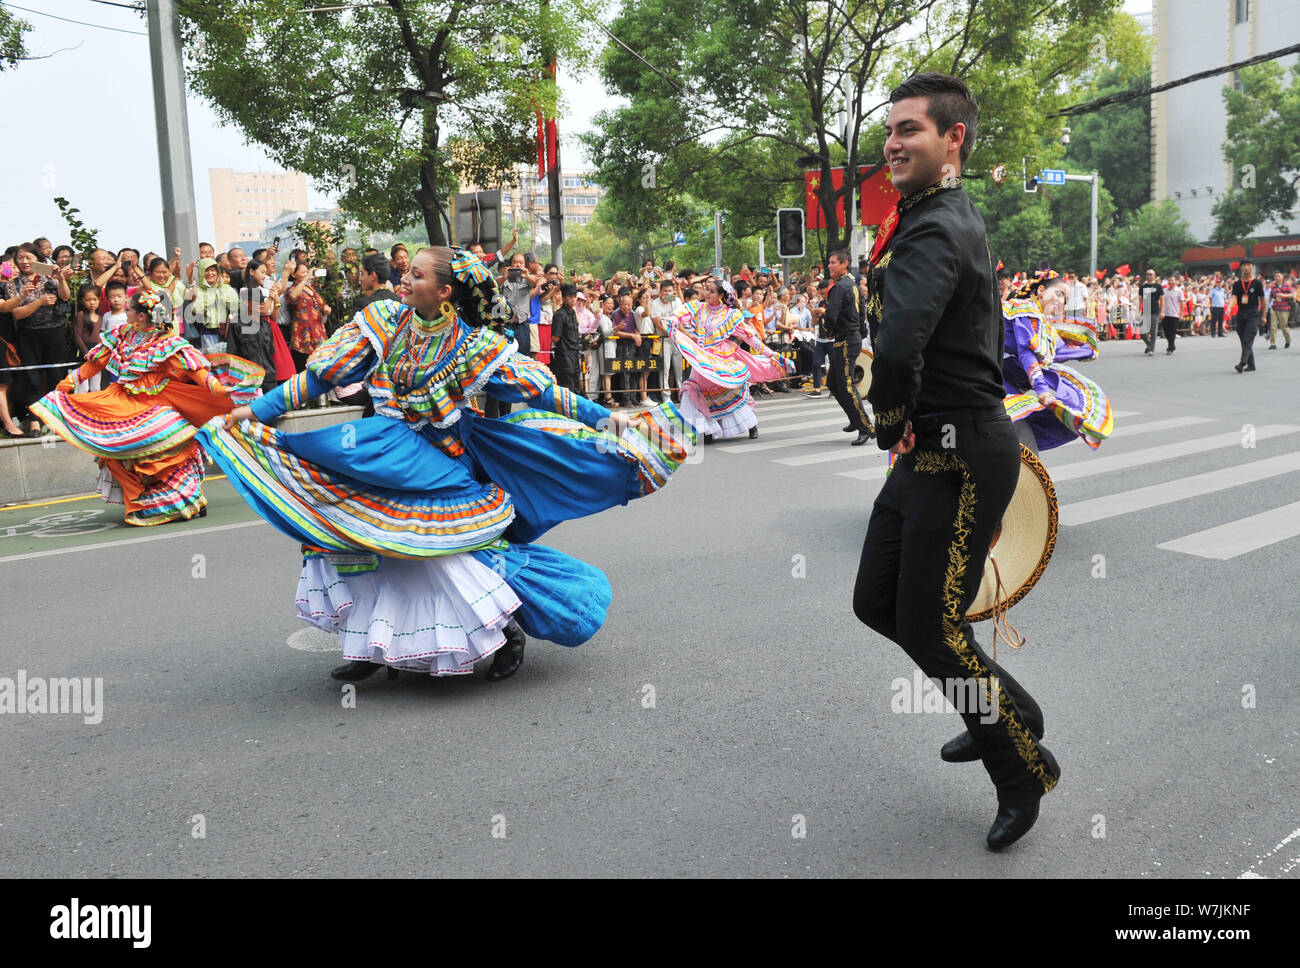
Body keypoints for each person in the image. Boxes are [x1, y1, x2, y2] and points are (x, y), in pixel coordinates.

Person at [203, 246, 693, 682]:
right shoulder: (382, 325)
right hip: (383, 455)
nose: (404, 280)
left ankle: (505, 630)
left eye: (416, 275)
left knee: (448, 555)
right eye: (406, 272)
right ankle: (369, 647)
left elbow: (545, 393)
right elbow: (313, 381)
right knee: (354, 539)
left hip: (444, 465)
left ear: (444, 292)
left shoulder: (474, 347)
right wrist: (251, 411)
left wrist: (608, 419)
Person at [855, 73, 1060, 851]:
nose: (894, 143)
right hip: (927, 452)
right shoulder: (923, 217)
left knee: (933, 629)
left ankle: (1022, 770)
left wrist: (891, 422)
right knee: (878, 604)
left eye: (910, 129)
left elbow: (899, 344)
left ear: (953, 140)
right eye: (890, 132)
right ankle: (1011, 713)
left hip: (963, 455)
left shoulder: (937, 225)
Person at [30, 289, 260, 525]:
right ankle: (141, 501)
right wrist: (65, 385)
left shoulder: (166, 342)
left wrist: (221, 390)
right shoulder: (121, 334)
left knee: (167, 450)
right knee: (114, 453)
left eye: (129, 308)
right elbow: (95, 363)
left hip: (157, 403)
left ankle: (183, 500)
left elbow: (197, 372)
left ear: (141, 316)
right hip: (121, 401)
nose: (124, 311)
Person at [1001, 271, 1112, 454]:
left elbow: (1055, 352)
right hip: (993, 384)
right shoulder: (1024, 309)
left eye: (1065, 299)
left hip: (1007, 386)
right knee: (1024, 442)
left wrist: (1086, 351)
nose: (1061, 302)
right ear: (1041, 290)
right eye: (1059, 294)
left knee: (1031, 441)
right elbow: (1026, 352)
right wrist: (1042, 389)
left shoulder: (1042, 323)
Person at [669, 278, 780, 442]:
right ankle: (707, 430)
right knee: (693, 390)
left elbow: (749, 338)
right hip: (702, 359)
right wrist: (671, 321)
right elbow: (678, 314)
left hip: (723, 359)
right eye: (706, 290)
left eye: (711, 291)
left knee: (731, 392)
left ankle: (750, 424)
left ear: (721, 295)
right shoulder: (698, 307)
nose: (707, 293)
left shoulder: (731, 314)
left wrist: (771, 355)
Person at [816, 249, 874, 445]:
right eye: (830, 262)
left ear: (845, 264)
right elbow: (861, 312)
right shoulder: (853, 284)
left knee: (847, 385)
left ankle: (865, 426)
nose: (830, 265)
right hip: (852, 337)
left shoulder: (839, 287)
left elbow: (831, 316)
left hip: (845, 340)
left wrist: (826, 326)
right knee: (833, 383)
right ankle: (855, 418)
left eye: (833, 262)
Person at [1232, 260, 1266, 373]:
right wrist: (1228, 308)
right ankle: (1251, 365)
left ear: (1252, 267)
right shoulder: (1237, 284)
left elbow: (1263, 300)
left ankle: (1242, 363)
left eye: (1248, 265)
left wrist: (1264, 315)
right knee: (1243, 339)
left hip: (1253, 313)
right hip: (1241, 314)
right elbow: (1233, 297)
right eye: (1244, 265)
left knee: (1248, 338)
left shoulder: (1257, 283)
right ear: (1241, 268)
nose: (1246, 267)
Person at [549, 283, 583, 394]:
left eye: (574, 296)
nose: (573, 299)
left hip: (574, 353)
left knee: (576, 385)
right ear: (563, 298)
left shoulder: (573, 313)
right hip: (564, 355)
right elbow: (555, 338)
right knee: (567, 386)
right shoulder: (560, 314)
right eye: (570, 296)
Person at [1139, 269, 1163, 355]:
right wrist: (1138, 310)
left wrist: (1162, 311)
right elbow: (1140, 300)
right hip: (1145, 311)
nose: (1148, 276)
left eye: (1150, 274)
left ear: (1154, 276)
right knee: (1142, 333)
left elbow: (1162, 299)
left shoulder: (1158, 286)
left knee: (1153, 331)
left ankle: (1151, 349)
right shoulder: (1143, 286)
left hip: (1154, 311)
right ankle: (1149, 344)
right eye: (1147, 274)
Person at [1267, 270, 1293, 349]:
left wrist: (1283, 295)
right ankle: (1273, 344)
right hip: (1274, 307)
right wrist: (1269, 303)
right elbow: (1271, 296)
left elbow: (1292, 294)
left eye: (1279, 276)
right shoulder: (1273, 286)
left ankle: (1288, 340)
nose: (1277, 278)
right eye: (1275, 276)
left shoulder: (1287, 285)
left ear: (1282, 277)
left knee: (1283, 326)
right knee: (1273, 326)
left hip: (1284, 308)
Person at [1159, 273, 1182, 354]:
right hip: (1165, 313)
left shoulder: (1178, 290)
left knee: (1172, 331)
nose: (1171, 282)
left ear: (1175, 281)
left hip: (1174, 314)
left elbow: (1182, 302)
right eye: (1169, 280)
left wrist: (1181, 313)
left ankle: (1170, 347)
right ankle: (1171, 344)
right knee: (1166, 332)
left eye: (1172, 280)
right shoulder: (1164, 291)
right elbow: (1161, 302)